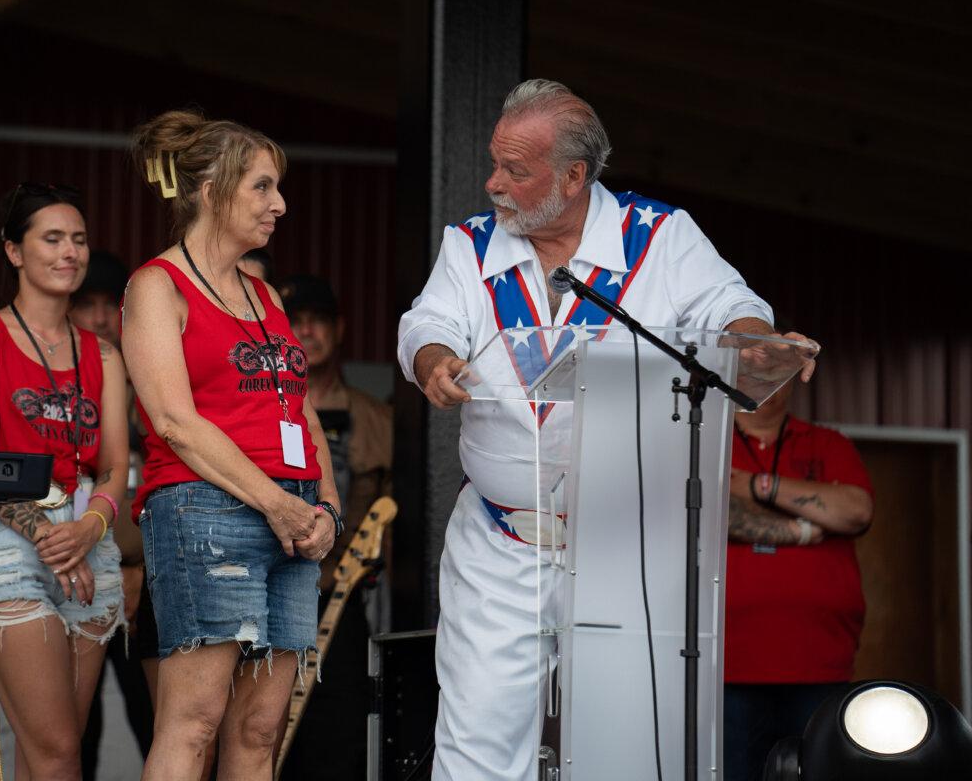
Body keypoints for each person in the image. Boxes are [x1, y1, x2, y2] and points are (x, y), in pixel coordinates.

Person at [397, 79, 811, 779]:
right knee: (478, 742)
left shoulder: (660, 238)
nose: (493, 183)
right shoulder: (469, 245)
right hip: (503, 538)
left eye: (515, 171)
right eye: (496, 163)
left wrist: (756, 340)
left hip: (630, 542)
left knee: (633, 743)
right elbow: (427, 321)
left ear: (574, 176)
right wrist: (433, 359)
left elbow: (729, 307)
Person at [122, 110, 339, 781]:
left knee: (260, 728)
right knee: (194, 723)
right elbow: (173, 422)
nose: (279, 204)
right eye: (263, 187)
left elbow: (300, 410)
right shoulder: (157, 285)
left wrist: (326, 504)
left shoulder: (265, 292)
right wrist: (276, 503)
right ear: (214, 186)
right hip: (207, 512)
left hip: (294, 517)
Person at [0, 182, 129, 781]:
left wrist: (90, 526)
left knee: (47, 751)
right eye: (52, 238)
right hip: (10, 533)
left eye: (78, 239)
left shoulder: (103, 354)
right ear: (14, 251)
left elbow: (114, 466)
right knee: (56, 751)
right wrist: (52, 538)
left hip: (87, 533)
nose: (69, 252)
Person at [724, 376, 873, 780]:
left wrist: (757, 486)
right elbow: (714, 513)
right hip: (726, 667)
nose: (765, 381)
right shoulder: (708, 441)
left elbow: (855, 511)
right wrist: (803, 526)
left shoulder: (828, 444)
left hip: (819, 665)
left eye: (778, 371)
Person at [276, 274, 393, 779]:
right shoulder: (262, 409)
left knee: (339, 729)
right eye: (294, 323)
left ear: (339, 328)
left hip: (339, 598)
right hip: (271, 595)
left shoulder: (373, 417)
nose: (307, 332)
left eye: (317, 322)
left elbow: (395, 505)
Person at [70, 250, 154, 777]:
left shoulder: (154, 381)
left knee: (159, 728)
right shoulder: (53, 386)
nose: (101, 318)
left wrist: (143, 567)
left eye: (111, 306)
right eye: (88, 305)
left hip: (142, 587)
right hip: (70, 579)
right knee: (72, 737)